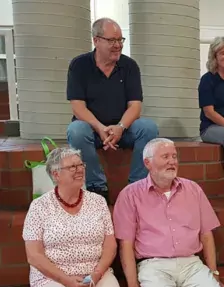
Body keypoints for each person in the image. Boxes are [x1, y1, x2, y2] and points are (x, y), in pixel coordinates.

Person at [114, 138, 224, 287]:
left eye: (174, 156)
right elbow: (125, 245)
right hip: (152, 265)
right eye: (165, 157)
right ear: (147, 163)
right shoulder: (130, 195)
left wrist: (214, 273)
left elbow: (207, 235)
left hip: (191, 263)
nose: (172, 161)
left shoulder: (193, 189)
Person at [22, 147, 125, 287]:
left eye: (81, 165)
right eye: (73, 167)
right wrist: (67, 280)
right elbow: (34, 255)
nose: (79, 170)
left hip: (97, 271)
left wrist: (97, 274)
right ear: (56, 174)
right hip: (54, 277)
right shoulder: (39, 207)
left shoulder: (97, 202)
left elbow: (110, 245)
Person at [66, 17, 159, 203]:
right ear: (96, 40)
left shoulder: (130, 66)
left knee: (149, 128)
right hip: (92, 129)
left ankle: (136, 186)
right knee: (76, 131)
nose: (118, 45)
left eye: (120, 40)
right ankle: (97, 187)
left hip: (122, 129)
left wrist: (120, 127)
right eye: (112, 41)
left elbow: (136, 106)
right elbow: (78, 107)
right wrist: (100, 128)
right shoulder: (79, 65)